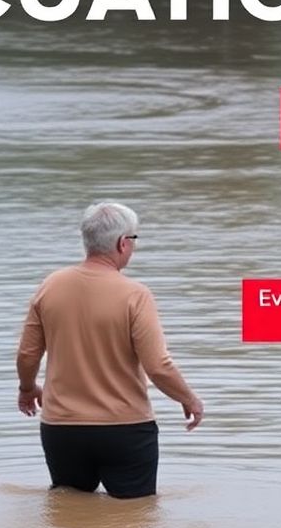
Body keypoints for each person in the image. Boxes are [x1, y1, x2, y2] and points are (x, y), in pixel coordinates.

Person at [16, 201, 204, 498]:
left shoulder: (49, 286)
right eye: (134, 239)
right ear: (122, 243)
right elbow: (157, 365)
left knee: (70, 518)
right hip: (125, 429)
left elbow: (28, 354)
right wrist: (189, 398)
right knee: (135, 520)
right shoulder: (135, 295)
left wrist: (27, 389)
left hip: (62, 429)